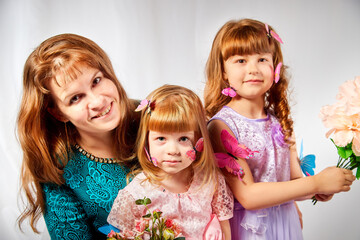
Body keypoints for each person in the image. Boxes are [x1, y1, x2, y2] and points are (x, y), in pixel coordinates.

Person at [204, 19, 356, 239]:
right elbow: (248, 195)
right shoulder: (221, 126)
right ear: (224, 71)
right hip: (251, 229)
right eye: (241, 60)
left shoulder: (279, 120)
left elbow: (293, 180)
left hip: (286, 223)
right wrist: (314, 182)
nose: (253, 69)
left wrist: (318, 188)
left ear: (275, 67)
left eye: (262, 59)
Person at [17, 33, 140, 239]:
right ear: (58, 113)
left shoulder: (152, 115)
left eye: (96, 81)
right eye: (75, 98)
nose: (97, 101)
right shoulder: (59, 172)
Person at [107, 85, 234, 239]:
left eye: (183, 139)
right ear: (146, 142)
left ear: (199, 140)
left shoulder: (211, 182)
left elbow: (226, 231)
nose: (173, 150)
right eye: (161, 138)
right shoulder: (136, 194)